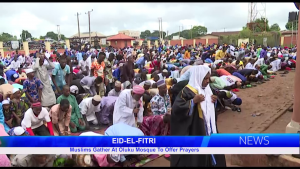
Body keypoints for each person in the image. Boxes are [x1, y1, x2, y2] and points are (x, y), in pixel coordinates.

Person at [171, 65, 226, 167]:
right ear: (198, 77)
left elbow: (210, 110)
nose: (207, 81)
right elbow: (177, 109)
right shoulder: (187, 91)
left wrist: (214, 101)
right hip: (196, 130)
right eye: (205, 78)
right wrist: (193, 102)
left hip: (210, 130)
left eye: (208, 78)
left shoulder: (208, 89)